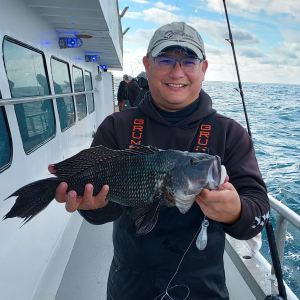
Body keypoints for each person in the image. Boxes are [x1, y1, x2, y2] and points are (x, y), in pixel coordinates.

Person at [51, 21, 270, 299]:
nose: (177, 72)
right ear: (147, 65)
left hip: (204, 288)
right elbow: (102, 211)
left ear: (203, 69)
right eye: (166, 60)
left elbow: (258, 212)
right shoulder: (116, 126)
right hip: (129, 284)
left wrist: (236, 211)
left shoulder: (229, 133)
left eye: (189, 61)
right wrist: (92, 208)